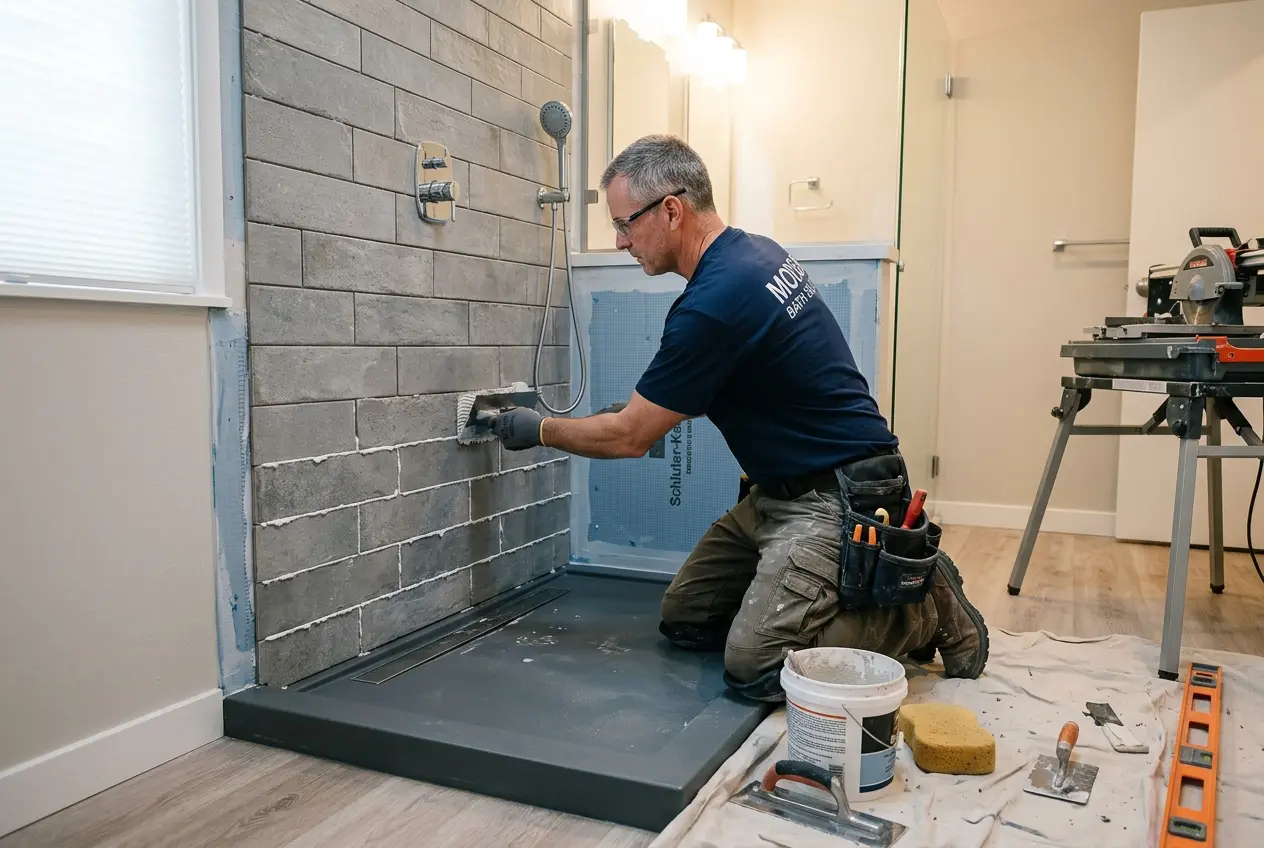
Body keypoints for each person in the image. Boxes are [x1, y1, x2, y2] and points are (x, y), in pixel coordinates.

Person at [490, 134, 987, 701]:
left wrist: (541, 429)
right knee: (688, 618)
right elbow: (715, 389)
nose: (621, 241)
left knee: (756, 665)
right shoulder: (754, 252)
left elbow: (631, 437)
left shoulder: (715, 302)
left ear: (671, 210)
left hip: (836, 497)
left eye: (625, 224)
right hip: (779, 493)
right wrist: (634, 414)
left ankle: (918, 608)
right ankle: (820, 593)